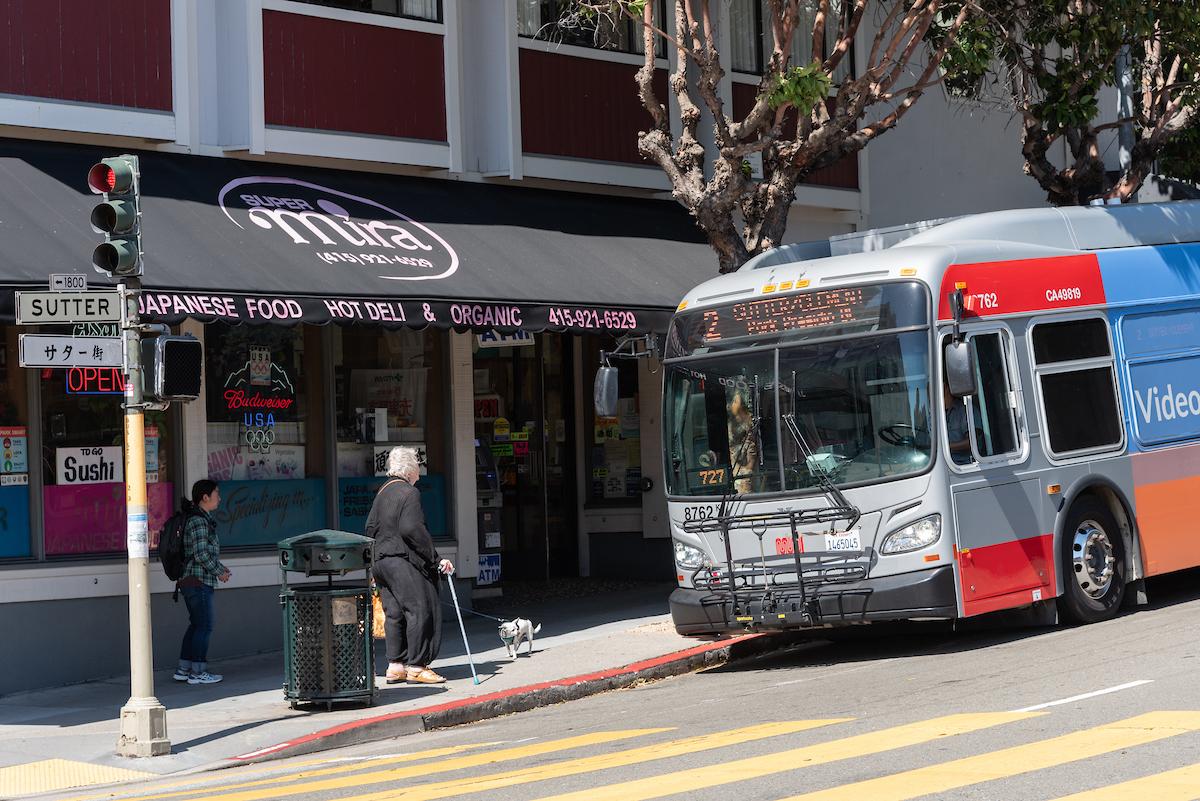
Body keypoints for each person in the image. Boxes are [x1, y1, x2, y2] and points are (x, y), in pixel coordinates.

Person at [366, 446, 454, 685]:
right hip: (399, 559)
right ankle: (416, 666)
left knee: (394, 613)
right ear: (410, 468)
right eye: (418, 465)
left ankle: (396, 665)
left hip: (380, 561)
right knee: (420, 608)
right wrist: (435, 559)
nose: (419, 471)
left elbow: (369, 528)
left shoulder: (382, 492)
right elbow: (411, 529)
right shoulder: (409, 493)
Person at [173, 480, 230, 685]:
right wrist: (219, 572)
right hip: (197, 580)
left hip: (192, 580)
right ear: (205, 497)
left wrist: (219, 568)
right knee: (205, 626)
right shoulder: (198, 520)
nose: (219, 497)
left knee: (197, 624)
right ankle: (198, 672)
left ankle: (184, 668)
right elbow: (201, 554)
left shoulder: (200, 518)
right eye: (216, 493)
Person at [728, 388, 759, 494]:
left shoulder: (749, 424)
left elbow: (751, 453)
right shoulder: (730, 424)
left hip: (744, 471)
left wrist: (746, 471)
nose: (732, 404)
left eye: (735, 401)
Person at [943, 379, 973, 465]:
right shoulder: (934, 416)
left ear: (946, 388)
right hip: (942, 463)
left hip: (964, 464)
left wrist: (946, 447)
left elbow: (972, 442)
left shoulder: (965, 411)